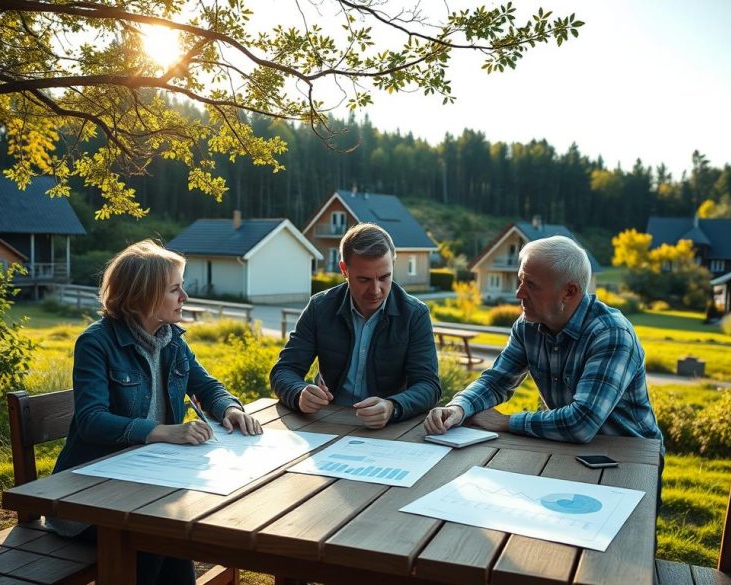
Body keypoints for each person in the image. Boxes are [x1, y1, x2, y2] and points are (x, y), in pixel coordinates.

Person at [49, 240, 262, 585]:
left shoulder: (172, 340)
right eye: (175, 289)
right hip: (92, 501)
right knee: (158, 535)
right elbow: (90, 420)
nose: (185, 298)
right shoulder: (96, 343)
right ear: (143, 295)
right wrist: (162, 430)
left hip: (152, 487)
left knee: (170, 532)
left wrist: (229, 408)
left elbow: (207, 386)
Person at [423, 235, 663, 454]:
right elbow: (496, 382)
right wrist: (458, 408)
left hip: (633, 455)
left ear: (569, 292)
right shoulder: (528, 325)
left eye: (531, 285)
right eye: (520, 281)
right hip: (570, 450)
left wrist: (505, 421)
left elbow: (581, 423)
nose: (519, 294)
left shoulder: (611, 334)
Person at [270, 223, 441, 428]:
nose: (376, 290)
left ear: (393, 265)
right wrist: (298, 393)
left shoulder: (414, 314)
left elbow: (429, 386)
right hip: (325, 421)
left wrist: (393, 406)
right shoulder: (320, 307)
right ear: (344, 269)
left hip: (388, 429)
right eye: (364, 279)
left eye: (384, 277)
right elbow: (284, 370)